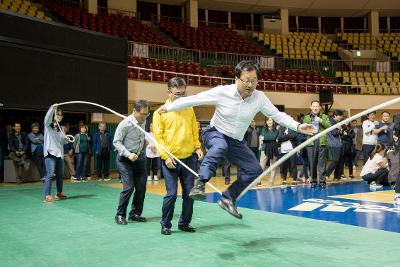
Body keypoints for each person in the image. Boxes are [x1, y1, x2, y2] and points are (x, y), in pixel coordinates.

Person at [158, 60, 313, 219]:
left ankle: (228, 198)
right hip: (215, 133)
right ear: (237, 79)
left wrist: (298, 126)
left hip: (235, 142)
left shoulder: (259, 98)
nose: (251, 85)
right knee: (219, 146)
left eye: (254, 81)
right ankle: (200, 183)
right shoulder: (222, 91)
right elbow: (195, 99)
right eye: (247, 80)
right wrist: (170, 107)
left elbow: (277, 115)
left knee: (255, 170)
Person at [153, 77, 203, 235]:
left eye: (183, 94)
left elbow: (194, 129)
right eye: (177, 94)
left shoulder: (189, 109)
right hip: (171, 160)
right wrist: (165, 157)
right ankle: (165, 224)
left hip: (189, 158)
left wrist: (197, 147)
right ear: (169, 93)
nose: (181, 97)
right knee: (172, 194)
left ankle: (184, 223)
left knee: (190, 194)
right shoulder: (159, 113)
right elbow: (158, 138)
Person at [113, 100, 149, 225]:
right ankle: (120, 214)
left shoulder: (143, 121)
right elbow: (116, 142)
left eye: (146, 114)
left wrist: (143, 145)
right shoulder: (125, 124)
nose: (144, 117)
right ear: (134, 111)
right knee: (128, 187)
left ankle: (135, 213)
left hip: (140, 158)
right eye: (142, 114)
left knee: (141, 188)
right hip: (125, 160)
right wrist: (128, 154)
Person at [43, 105, 68, 203]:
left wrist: (66, 139)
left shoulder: (61, 128)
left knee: (60, 176)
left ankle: (59, 193)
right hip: (50, 154)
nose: (59, 116)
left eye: (61, 115)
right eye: (57, 114)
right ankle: (47, 196)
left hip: (59, 155)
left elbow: (61, 142)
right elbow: (47, 118)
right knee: (50, 175)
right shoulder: (48, 125)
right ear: (54, 115)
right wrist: (52, 108)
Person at [303, 101, 331, 188]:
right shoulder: (307, 118)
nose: (315, 108)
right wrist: (308, 129)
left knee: (322, 163)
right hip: (311, 141)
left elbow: (330, 127)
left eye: (317, 106)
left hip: (322, 141)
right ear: (311, 107)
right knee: (312, 163)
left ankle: (322, 181)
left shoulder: (325, 117)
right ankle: (313, 181)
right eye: (313, 106)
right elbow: (303, 129)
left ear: (319, 108)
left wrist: (321, 121)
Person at [325, 110, 345, 184]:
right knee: (335, 160)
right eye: (340, 116)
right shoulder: (331, 122)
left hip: (338, 144)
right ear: (335, 116)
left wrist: (340, 130)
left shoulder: (337, 123)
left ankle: (337, 176)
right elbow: (334, 133)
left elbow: (340, 133)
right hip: (333, 144)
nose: (341, 117)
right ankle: (326, 175)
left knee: (340, 161)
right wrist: (340, 129)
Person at [259, 117, 279, 185]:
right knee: (261, 165)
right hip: (264, 148)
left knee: (273, 165)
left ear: (273, 122)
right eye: (268, 120)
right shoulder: (263, 130)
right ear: (266, 122)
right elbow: (261, 139)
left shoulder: (276, 131)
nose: (269, 122)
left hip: (273, 148)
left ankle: (271, 181)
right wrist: (260, 146)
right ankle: (259, 180)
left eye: (270, 120)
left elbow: (276, 140)